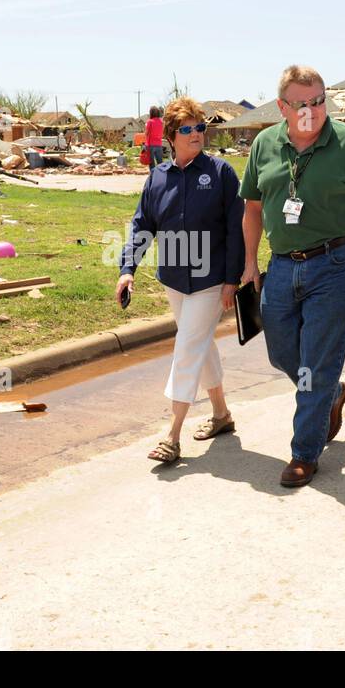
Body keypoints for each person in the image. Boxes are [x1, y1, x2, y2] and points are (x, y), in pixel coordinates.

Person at [240, 65, 345, 488]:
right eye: (302, 104)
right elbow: (251, 207)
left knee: (316, 364)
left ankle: (304, 452)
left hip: (335, 263)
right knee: (283, 354)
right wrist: (250, 261)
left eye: (319, 101)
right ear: (283, 107)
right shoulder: (264, 144)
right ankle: (332, 393)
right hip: (282, 263)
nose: (313, 110)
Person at [118, 97, 245, 463]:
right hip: (174, 279)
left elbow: (236, 230)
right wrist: (128, 269)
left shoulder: (221, 173)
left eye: (200, 128)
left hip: (210, 279)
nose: (196, 134)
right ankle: (221, 414)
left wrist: (232, 279)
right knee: (200, 343)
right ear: (171, 136)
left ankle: (172, 435)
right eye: (187, 129)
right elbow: (142, 224)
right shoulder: (158, 178)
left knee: (188, 345)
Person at [144, 106, 165, 170]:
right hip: (159, 144)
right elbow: (162, 133)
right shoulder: (162, 122)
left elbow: (147, 133)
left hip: (150, 145)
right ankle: (162, 176)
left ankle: (153, 176)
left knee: (151, 163)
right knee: (160, 162)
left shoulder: (150, 122)